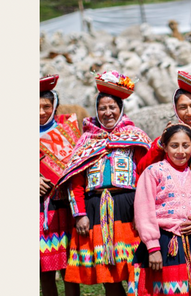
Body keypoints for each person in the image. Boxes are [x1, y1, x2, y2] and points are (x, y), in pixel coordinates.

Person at [54, 71, 150, 296]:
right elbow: (75, 181)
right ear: (97, 111)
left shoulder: (134, 136)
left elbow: (145, 175)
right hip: (96, 208)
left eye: (112, 107)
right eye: (102, 108)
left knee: (136, 269)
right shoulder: (87, 140)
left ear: (121, 109)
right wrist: (79, 214)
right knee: (109, 273)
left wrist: (142, 211)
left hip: (129, 207)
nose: (107, 113)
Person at [132, 124, 191, 296]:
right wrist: (153, 248)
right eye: (174, 145)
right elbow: (144, 212)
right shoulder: (153, 172)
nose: (180, 151)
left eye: (185, 145)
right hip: (165, 244)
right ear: (165, 147)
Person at [40, 75, 81, 296]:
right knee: (43, 270)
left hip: (65, 207)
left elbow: (77, 164)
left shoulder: (67, 131)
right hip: (39, 211)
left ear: (54, 107)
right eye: (35, 107)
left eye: (46, 106)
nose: (40, 112)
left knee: (68, 267)